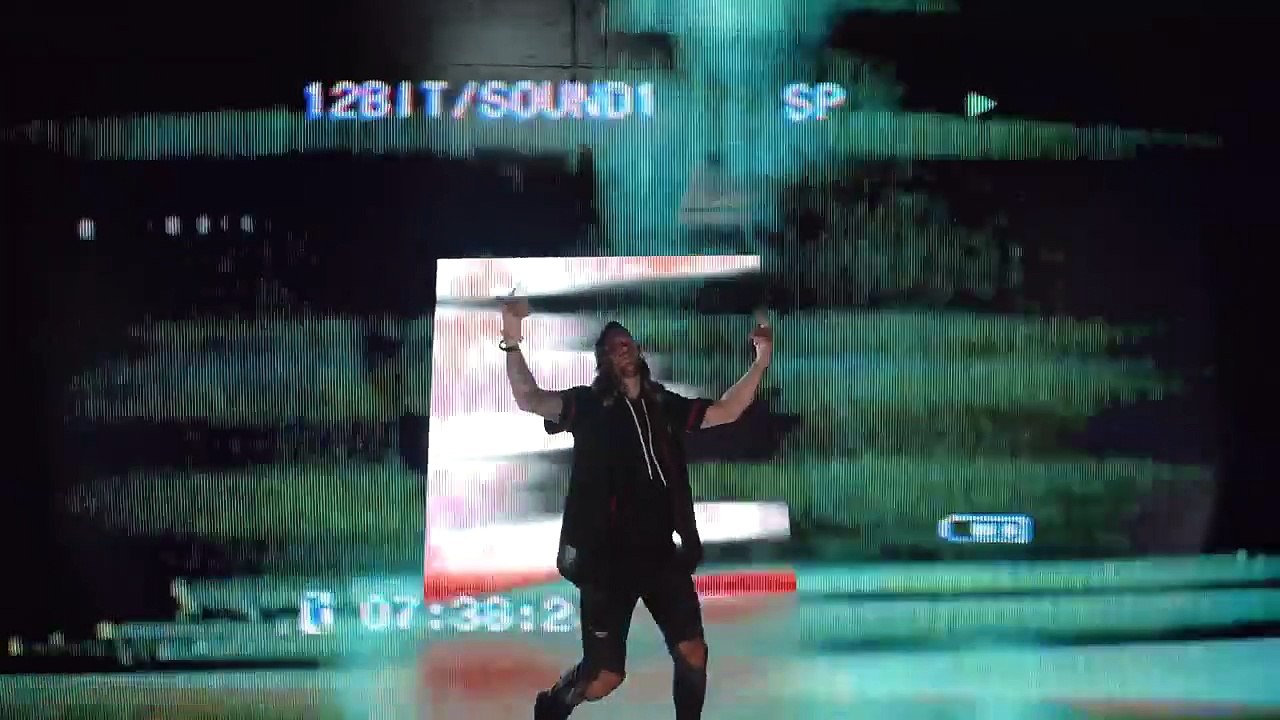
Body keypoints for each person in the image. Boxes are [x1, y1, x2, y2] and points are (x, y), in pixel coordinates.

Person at [497, 293, 773, 720]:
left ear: (639, 351)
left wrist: (761, 362)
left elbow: (726, 410)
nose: (621, 348)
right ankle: (553, 705)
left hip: (660, 553)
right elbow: (530, 398)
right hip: (606, 564)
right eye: (611, 347)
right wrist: (512, 338)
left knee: (693, 651)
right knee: (605, 677)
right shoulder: (587, 406)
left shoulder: (663, 404)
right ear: (602, 361)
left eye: (626, 342)